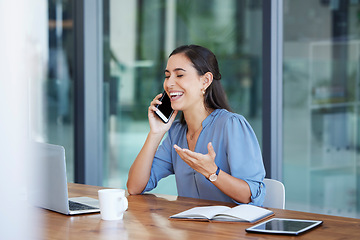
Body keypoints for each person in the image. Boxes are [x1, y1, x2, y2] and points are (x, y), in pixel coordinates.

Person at [127, 44, 266, 206]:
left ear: (205, 81)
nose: (169, 83)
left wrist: (212, 172)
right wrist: (155, 133)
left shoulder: (231, 125)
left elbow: (252, 196)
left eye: (179, 75)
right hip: (192, 228)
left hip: (232, 229)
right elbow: (135, 187)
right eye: (167, 76)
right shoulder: (176, 134)